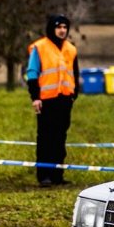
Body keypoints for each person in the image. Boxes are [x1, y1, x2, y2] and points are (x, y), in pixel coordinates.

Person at [27, 14, 79, 187]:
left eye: (65, 27)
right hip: (46, 100)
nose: (62, 30)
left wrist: (73, 95)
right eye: (59, 27)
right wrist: (35, 97)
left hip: (64, 100)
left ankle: (57, 175)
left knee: (60, 138)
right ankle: (44, 175)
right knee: (45, 138)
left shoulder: (71, 49)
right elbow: (32, 73)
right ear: (52, 28)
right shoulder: (40, 47)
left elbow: (75, 73)